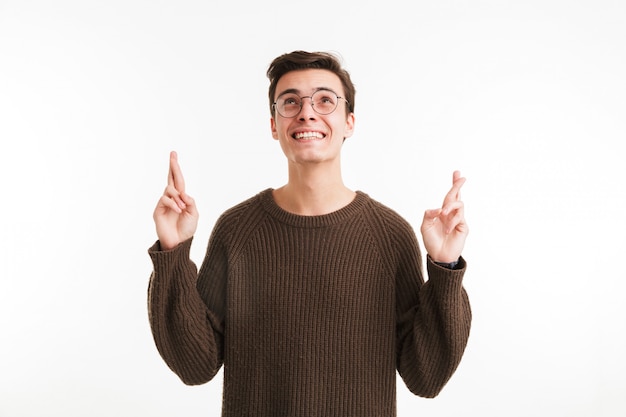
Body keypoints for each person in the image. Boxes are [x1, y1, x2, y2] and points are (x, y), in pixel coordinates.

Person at [147, 50, 471, 417]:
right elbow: (195, 366)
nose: (306, 112)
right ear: (274, 125)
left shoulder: (389, 236)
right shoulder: (237, 231)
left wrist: (446, 267)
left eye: (324, 100)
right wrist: (172, 252)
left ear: (349, 122)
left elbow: (425, 378)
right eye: (290, 102)